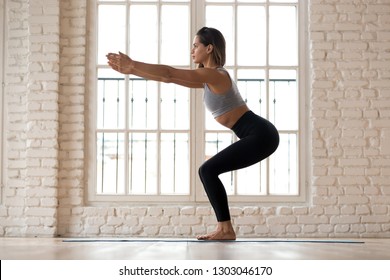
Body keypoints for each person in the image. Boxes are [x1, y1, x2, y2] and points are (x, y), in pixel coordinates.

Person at [107, 27, 279, 240]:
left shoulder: (215, 75)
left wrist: (133, 64)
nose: (192, 50)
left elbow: (169, 73)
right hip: (258, 134)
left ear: (209, 48)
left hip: (261, 135)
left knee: (207, 170)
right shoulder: (207, 79)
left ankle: (226, 229)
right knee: (208, 171)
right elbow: (168, 78)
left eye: (196, 45)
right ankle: (225, 229)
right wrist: (132, 71)